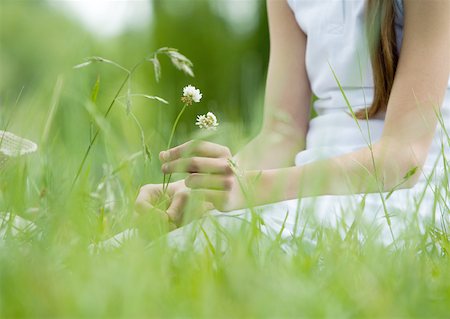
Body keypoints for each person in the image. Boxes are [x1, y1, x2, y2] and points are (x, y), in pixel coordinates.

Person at [135, 0, 450, 247]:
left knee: (195, 249)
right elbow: (281, 136)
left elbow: (402, 159)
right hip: (308, 186)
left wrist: (251, 188)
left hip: (407, 194)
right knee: (123, 249)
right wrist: (204, 186)